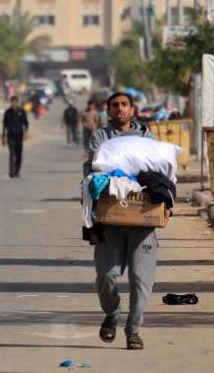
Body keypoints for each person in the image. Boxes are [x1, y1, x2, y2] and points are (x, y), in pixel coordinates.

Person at [85, 92, 157, 351]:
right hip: (111, 219)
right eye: (114, 105)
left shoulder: (147, 136)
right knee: (106, 276)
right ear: (108, 111)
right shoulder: (100, 137)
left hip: (142, 220)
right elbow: (99, 164)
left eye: (124, 105)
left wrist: (167, 204)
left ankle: (133, 331)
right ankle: (111, 313)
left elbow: (160, 171)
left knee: (141, 280)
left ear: (132, 109)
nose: (120, 109)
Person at [1, 95, 29, 178]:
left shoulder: (21, 111)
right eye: (12, 102)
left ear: (17, 102)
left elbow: (26, 123)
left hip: (19, 136)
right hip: (10, 137)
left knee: (19, 155)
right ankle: (11, 171)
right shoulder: (7, 112)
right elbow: (4, 126)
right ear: (11, 102)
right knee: (12, 154)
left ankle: (17, 171)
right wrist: (3, 138)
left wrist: (26, 133)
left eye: (15, 102)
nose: (14, 104)